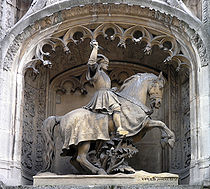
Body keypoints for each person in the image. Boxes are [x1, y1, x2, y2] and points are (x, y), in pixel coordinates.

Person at [84, 40, 128, 135]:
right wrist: (95, 48)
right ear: (100, 63)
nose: (107, 65)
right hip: (101, 95)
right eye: (105, 63)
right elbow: (91, 63)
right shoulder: (97, 73)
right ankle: (119, 128)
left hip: (108, 94)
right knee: (116, 107)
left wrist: (111, 90)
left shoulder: (105, 75)